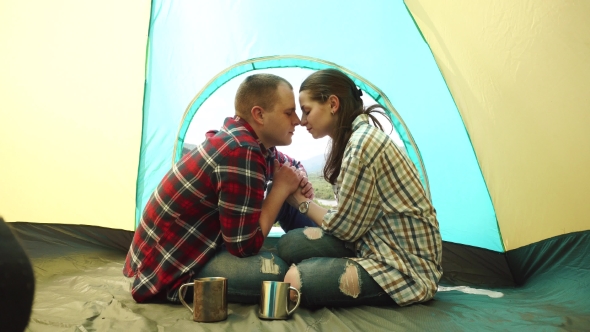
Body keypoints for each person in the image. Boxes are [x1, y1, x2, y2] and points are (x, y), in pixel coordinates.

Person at [123, 73, 316, 303]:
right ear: (259, 114)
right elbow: (244, 247)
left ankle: (319, 248)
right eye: (288, 112)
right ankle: (317, 260)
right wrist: (281, 189)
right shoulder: (241, 150)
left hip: (181, 250)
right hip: (168, 269)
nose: (297, 120)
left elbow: (291, 166)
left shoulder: (254, 143)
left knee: (285, 196)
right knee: (282, 274)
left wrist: (298, 178)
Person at [274, 68, 443, 308]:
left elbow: (345, 228)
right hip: (372, 241)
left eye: (307, 111)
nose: (302, 121)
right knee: (290, 244)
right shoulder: (354, 140)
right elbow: (352, 218)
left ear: (333, 104)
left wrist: (300, 201)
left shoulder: (362, 145)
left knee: (295, 280)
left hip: (404, 265)